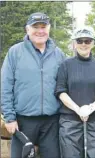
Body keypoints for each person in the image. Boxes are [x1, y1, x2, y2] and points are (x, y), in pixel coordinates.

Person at [1, 12, 65, 158]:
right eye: (36, 27)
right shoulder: (15, 52)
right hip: (23, 121)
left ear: (49, 29)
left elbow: (65, 86)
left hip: (52, 121)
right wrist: (9, 118)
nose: (40, 31)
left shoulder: (59, 54)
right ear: (27, 29)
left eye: (44, 26)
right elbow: (5, 86)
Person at [55, 26, 95, 158]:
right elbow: (60, 91)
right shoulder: (65, 65)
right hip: (70, 121)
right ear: (74, 44)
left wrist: (91, 108)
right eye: (80, 41)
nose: (83, 44)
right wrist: (78, 109)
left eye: (87, 41)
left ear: (93, 43)